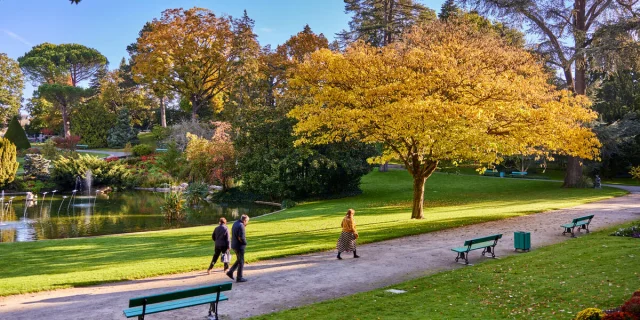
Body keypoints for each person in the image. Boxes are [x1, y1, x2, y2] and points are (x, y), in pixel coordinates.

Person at [226, 214, 249, 282]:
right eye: (247, 221)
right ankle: (239, 277)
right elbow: (240, 238)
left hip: (234, 245)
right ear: (245, 220)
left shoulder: (235, 223)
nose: (247, 223)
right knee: (241, 261)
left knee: (239, 259)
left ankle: (230, 272)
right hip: (239, 246)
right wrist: (245, 243)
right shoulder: (241, 226)